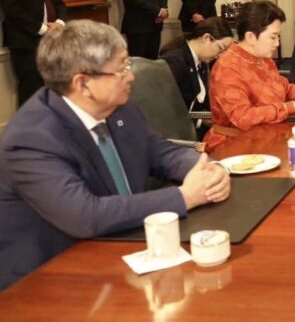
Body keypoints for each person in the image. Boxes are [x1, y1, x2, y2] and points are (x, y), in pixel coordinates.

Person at [0, 20, 230, 291]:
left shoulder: (119, 107)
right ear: (83, 84)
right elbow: (85, 215)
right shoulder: (32, 139)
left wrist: (208, 170)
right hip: (49, 280)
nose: (130, 77)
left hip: (127, 247)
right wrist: (186, 196)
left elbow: (159, 151)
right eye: (121, 69)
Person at [205, 0, 295, 151]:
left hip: (268, 135)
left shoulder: (263, 59)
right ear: (250, 37)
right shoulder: (227, 68)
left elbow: (284, 89)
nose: (277, 43)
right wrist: (291, 107)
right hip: (234, 144)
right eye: (273, 37)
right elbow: (243, 118)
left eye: (278, 37)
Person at [159, 17, 235, 114]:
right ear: (206, 38)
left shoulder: (201, 61)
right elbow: (165, 106)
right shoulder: (175, 61)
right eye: (221, 48)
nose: (220, 55)